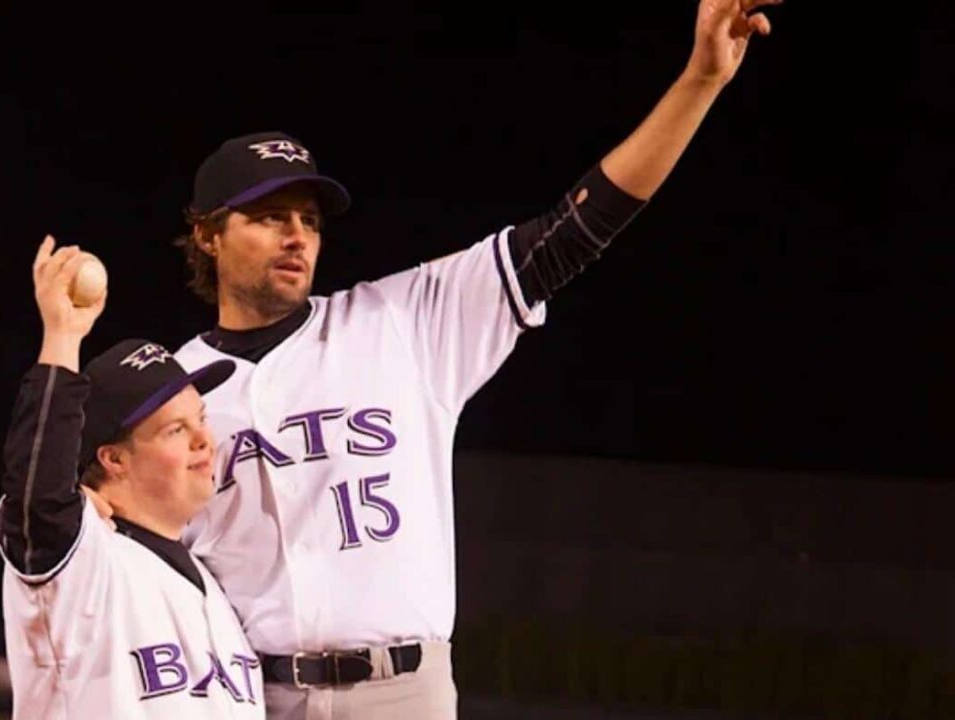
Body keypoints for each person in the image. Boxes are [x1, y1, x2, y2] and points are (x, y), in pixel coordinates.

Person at [163, 1, 781, 717]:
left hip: (401, 693)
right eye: (270, 217)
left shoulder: (400, 321)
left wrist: (699, 81)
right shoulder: (169, 391)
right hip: (248, 699)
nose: (297, 236)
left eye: (308, 218)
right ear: (208, 236)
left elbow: (573, 231)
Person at [0, 236, 264, 719]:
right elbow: (38, 497)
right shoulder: (83, 565)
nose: (204, 439)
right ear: (114, 459)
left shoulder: (215, 591)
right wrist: (62, 337)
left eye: (200, 418)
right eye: (176, 429)